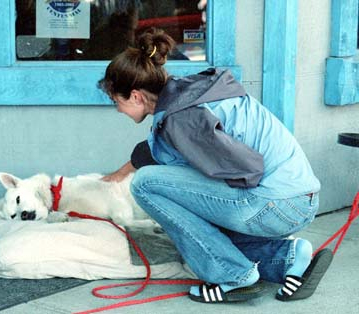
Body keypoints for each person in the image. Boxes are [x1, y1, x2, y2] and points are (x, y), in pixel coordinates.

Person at [99, 28, 333, 303]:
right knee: (204, 231)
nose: (117, 110)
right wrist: (119, 174)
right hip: (299, 198)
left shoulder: (182, 117)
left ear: (136, 96)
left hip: (274, 205)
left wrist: (201, 211)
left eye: (117, 102)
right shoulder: (190, 94)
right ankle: (289, 258)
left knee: (146, 185)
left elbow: (247, 168)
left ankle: (232, 277)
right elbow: (156, 152)